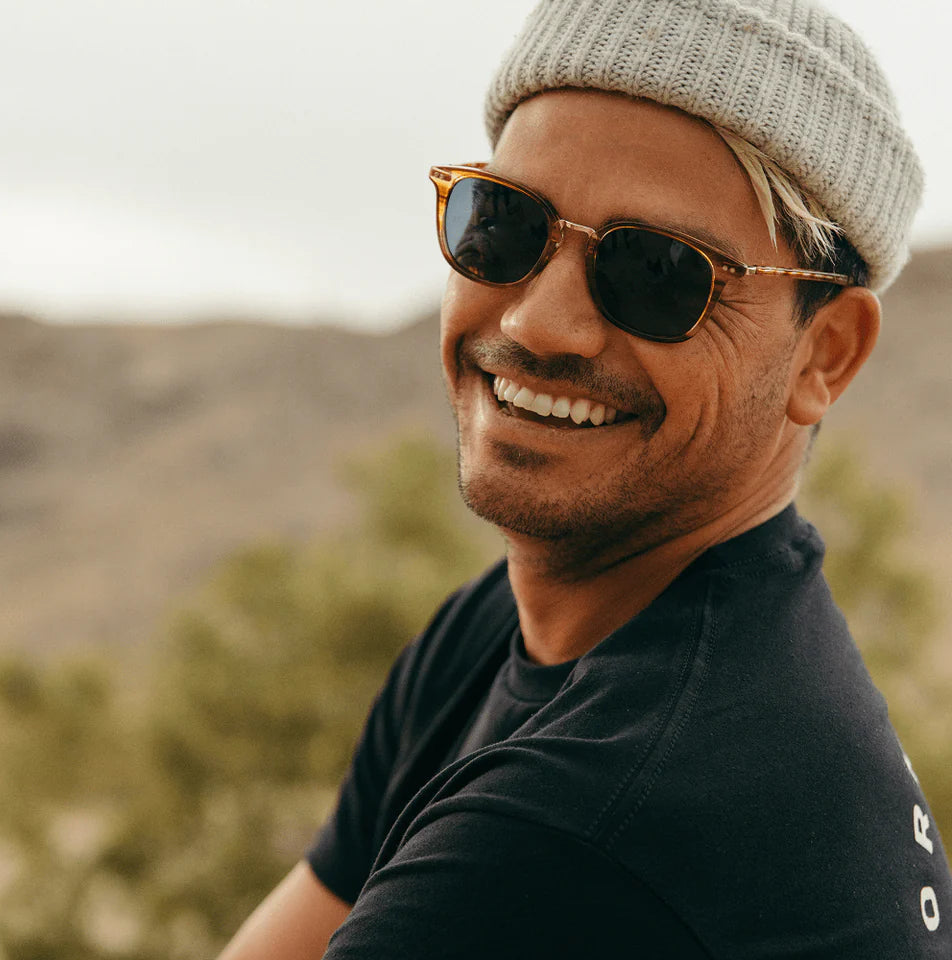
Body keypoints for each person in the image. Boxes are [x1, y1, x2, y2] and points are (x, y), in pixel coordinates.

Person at [218, 1, 952, 956]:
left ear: (827, 355)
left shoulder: (590, 825)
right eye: (506, 224)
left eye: (657, 271)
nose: (538, 325)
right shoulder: (511, 630)